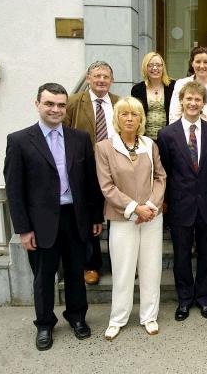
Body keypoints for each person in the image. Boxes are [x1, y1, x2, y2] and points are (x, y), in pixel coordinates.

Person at [4, 83, 104, 351]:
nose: (56, 109)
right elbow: (14, 190)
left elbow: (90, 182)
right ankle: (45, 324)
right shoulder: (19, 140)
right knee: (44, 277)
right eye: (49, 104)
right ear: (37, 104)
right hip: (41, 223)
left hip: (75, 217)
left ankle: (77, 317)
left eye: (61, 104)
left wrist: (96, 216)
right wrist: (23, 230)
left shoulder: (79, 138)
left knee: (75, 272)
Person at [95, 96, 166, 340]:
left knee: (151, 268)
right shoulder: (104, 147)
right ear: (117, 118)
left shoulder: (150, 144)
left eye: (134, 114)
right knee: (123, 270)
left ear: (140, 119)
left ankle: (149, 316)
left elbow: (160, 177)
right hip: (122, 217)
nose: (129, 118)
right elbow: (107, 187)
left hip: (151, 217)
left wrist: (150, 206)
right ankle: (117, 319)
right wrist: (136, 208)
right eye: (124, 114)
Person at [157, 82, 207, 321]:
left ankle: (204, 300)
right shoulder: (166, 134)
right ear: (181, 101)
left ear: (204, 103)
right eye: (189, 99)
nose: (193, 103)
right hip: (180, 204)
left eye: (198, 99)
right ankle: (184, 300)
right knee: (181, 256)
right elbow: (165, 170)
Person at [65, 60, 120, 285]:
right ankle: (91, 265)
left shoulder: (119, 103)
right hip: (85, 167)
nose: (101, 80)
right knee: (90, 217)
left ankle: (121, 262)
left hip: (115, 166)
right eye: (97, 76)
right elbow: (64, 133)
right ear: (88, 78)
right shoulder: (74, 102)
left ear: (111, 80)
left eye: (105, 77)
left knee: (118, 214)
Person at [168, 46, 207, 125]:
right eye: (198, 62)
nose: (202, 66)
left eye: (205, 62)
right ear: (192, 64)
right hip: (182, 134)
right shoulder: (180, 84)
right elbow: (174, 116)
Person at [131, 52, 176, 140]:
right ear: (145, 67)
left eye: (158, 65)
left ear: (163, 67)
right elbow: (135, 114)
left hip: (169, 138)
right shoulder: (137, 89)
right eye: (150, 65)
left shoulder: (173, 86)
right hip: (144, 138)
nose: (155, 68)